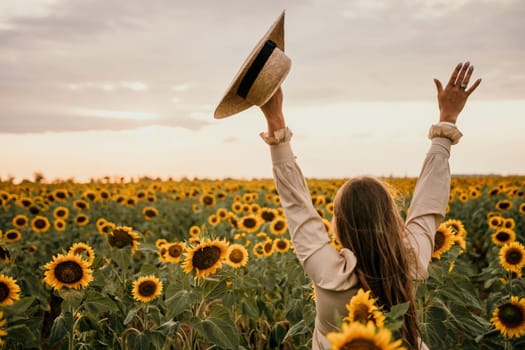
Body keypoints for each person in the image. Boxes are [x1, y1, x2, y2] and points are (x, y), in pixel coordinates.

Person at [258, 62, 482, 349]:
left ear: (339, 222)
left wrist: (275, 120)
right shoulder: (410, 261)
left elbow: (296, 204)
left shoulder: (328, 273)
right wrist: (447, 119)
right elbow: (429, 203)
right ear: (391, 217)